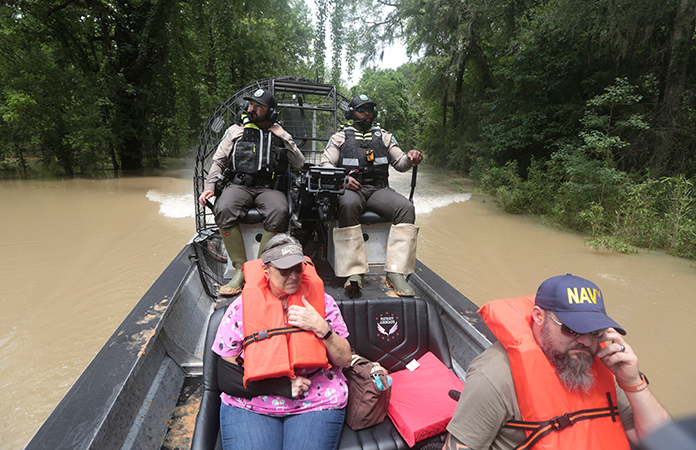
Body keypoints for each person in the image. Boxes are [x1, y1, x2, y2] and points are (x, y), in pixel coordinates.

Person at [443, 274, 672, 450]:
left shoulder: (599, 366)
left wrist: (632, 381)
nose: (584, 341)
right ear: (539, 316)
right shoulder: (494, 376)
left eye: (595, 331)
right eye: (571, 329)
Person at [212, 234, 352, 450]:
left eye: (298, 268)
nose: (294, 276)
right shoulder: (241, 309)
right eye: (285, 270)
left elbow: (345, 359)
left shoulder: (324, 303)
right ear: (266, 270)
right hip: (252, 403)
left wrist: (321, 328)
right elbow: (225, 374)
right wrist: (282, 386)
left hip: (315, 399)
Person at [198, 88, 305, 296]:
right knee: (224, 207)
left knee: (280, 211)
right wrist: (210, 186)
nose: (252, 109)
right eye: (250, 105)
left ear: (271, 112)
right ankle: (240, 269)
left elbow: (299, 163)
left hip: (268, 188)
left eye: (258, 106)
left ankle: (259, 267)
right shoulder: (235, 131)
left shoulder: (280, 134)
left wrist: (283, 136)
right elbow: (218, 162)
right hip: (240, 186)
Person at [320, 94, 424, 296]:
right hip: (351, 189)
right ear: (351, 113)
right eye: (362, 109)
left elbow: (401, 164)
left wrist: (412, 157)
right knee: (348, 205)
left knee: (406, 208)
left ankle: (396, 273)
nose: (367, 113)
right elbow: (326, 165)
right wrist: (342, 180)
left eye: (370, 109)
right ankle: (354, 272)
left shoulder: (384, 136)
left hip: (378, 189)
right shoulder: (339, 138)